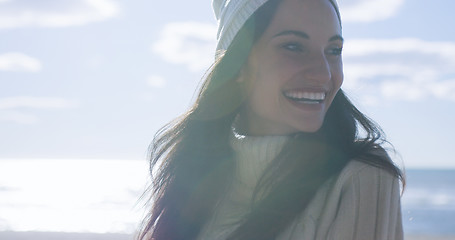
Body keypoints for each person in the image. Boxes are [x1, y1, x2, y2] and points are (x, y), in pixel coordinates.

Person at [137, 0, 405, 239]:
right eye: (293, 47)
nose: (323, 74)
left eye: (334, 50)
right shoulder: (195, 181)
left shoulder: (360, 178)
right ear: (238, 64)